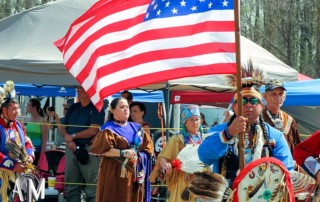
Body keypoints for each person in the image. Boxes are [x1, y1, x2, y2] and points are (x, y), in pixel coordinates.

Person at [198, 82, 294, 186]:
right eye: (243, 100)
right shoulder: (219, 130)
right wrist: (228, 133)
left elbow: (286, 170)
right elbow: (204, 156)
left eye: (253, 101)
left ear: (261, 106)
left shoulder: (275, 136)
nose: (248, 105)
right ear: (234, 106)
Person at [90, 97, 153, 202]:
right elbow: (101, 150)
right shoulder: (108, 129)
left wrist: (140, 156)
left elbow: (148, 148)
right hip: (114, 174)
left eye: (127, 107)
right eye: (122, 107)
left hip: (134, 174)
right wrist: (122, 152)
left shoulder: (136, 128)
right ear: (113, 110)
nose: (126, 109)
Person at [149, 105, 210, 202]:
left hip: (202, 183)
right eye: (191, 120)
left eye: (197, 119)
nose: (195, 122)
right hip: (183, 182)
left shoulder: (205, 139)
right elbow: (162, 157)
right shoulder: (177, 139)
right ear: (185, 122)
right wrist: (166, 165)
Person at [59, 85, 105, 202]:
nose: (78, 91)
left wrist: (73, 137)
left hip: (89, 149)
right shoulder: (73, 107)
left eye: (82, 89)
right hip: (71, 150)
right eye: (77, 89)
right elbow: (63, 127)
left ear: (90, 92)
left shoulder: (96, 108)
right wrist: (68, 140)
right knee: (71, 186)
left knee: (93, 187)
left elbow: (93, 130)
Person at [0, 81, 34, 201]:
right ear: (4, 110)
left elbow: (27, 142)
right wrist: (14, 165)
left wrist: (30, 156)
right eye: (14, 109)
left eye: (18, 108)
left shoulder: (18, 125)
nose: (18, 112)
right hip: (2, 177)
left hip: (18, 175)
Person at [262, 79, 301, 154]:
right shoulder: (258, 118)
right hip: (265, 163)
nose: (278, 98)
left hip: (285, 163)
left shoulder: (289, 120)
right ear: (265, 96)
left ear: (285, 96)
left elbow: (297, 145)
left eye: (281, 94)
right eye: (273, 94)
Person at [23, 98, 48, 165]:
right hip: (26, 150)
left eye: (28, 105)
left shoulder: (42, 121)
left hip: (37, 151)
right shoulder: (25, 119)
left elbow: (44, 141)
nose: (26, 106)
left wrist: (42, 158)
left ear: (34, 107)